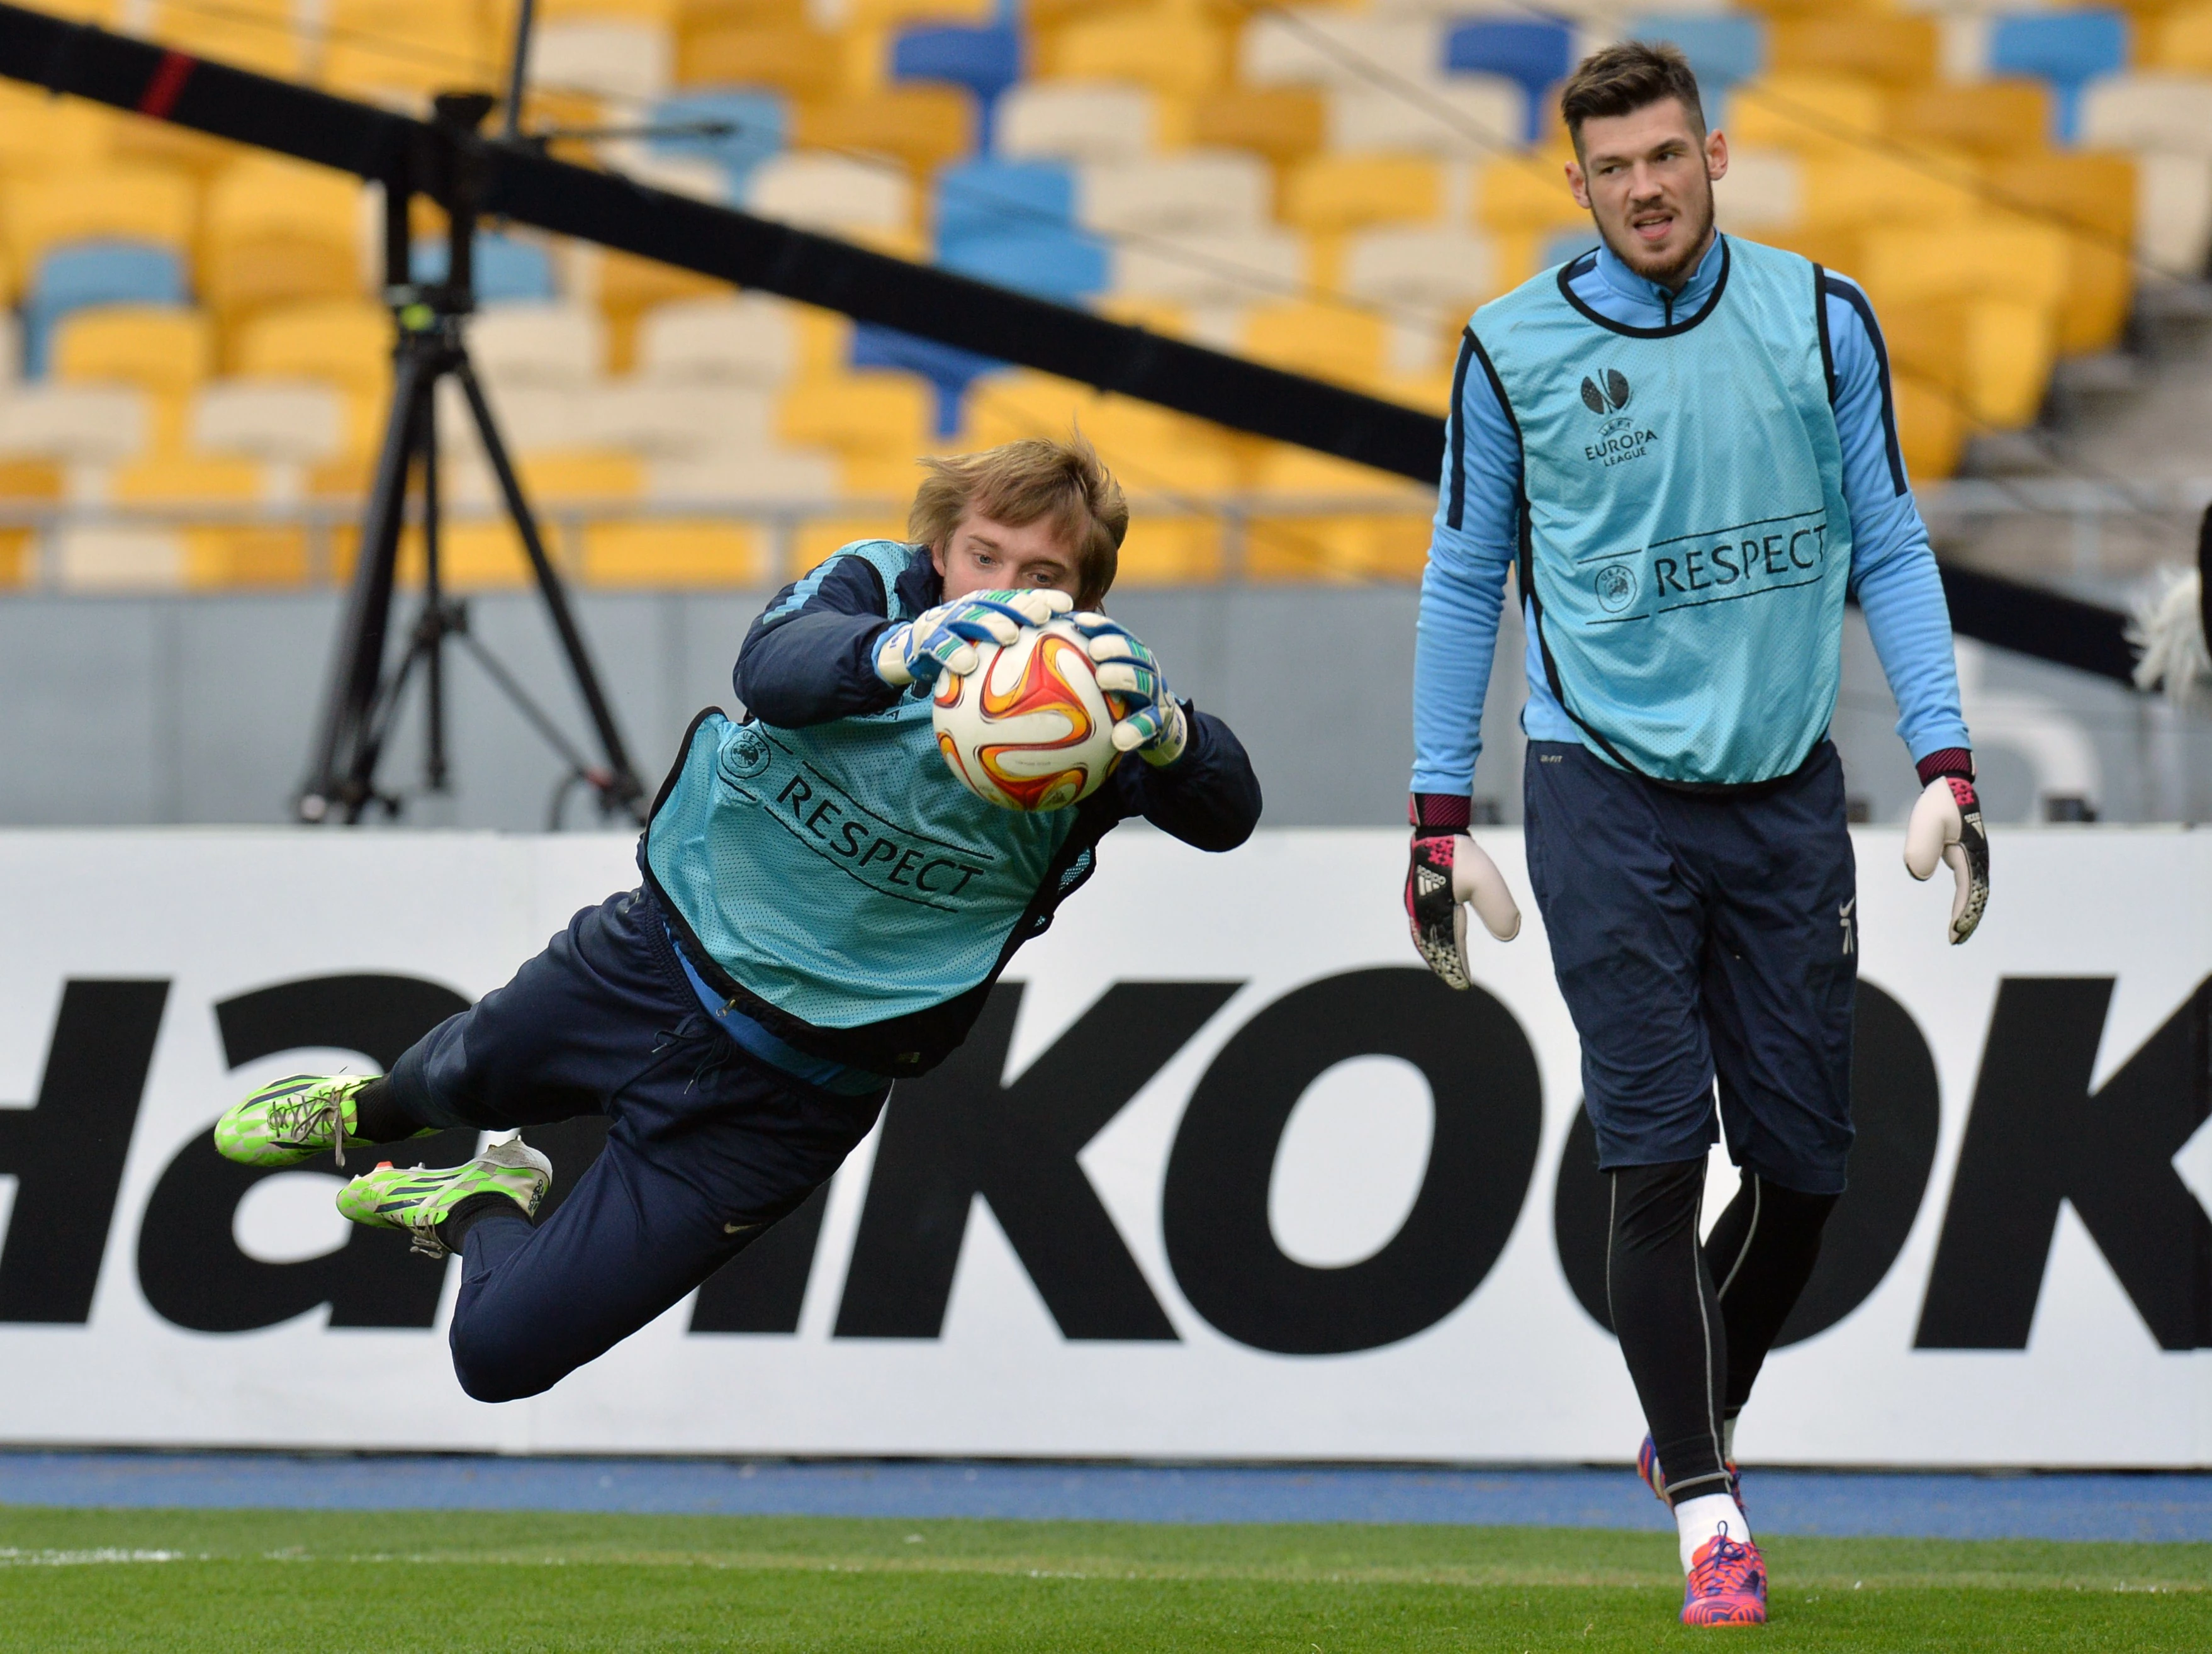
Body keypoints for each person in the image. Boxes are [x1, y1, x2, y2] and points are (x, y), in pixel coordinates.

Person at [213, 434, 1261, 1403]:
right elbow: (771, 668)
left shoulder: (1098, 709)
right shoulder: (873, 588)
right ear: (937, 548)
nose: (1010, 594)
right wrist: (902, 653)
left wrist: (1172, 732)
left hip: (784, 1100)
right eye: (985, 557)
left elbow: (1229, 817)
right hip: (649, 963)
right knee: (448, 1079)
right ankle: (365, 1115)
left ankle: (473, 1198)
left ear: (1085, 596)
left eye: (1044, 578)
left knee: (497, 1361)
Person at [1403, 43, 1988, 1628]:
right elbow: (1466, 582)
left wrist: (1945, 754)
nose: (1645, 188)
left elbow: (1887, 539)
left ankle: (1678, 1425)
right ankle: (1710, 1518)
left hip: (1784, 792)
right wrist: (1433, 812)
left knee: (1802, 1176)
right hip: (1600, 793)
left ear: (1713, 153)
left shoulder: (1817, 316)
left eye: (1666, 157)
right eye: (1613, 169)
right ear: (1574, 186)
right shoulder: (1509, 347)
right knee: (1654, 1156)